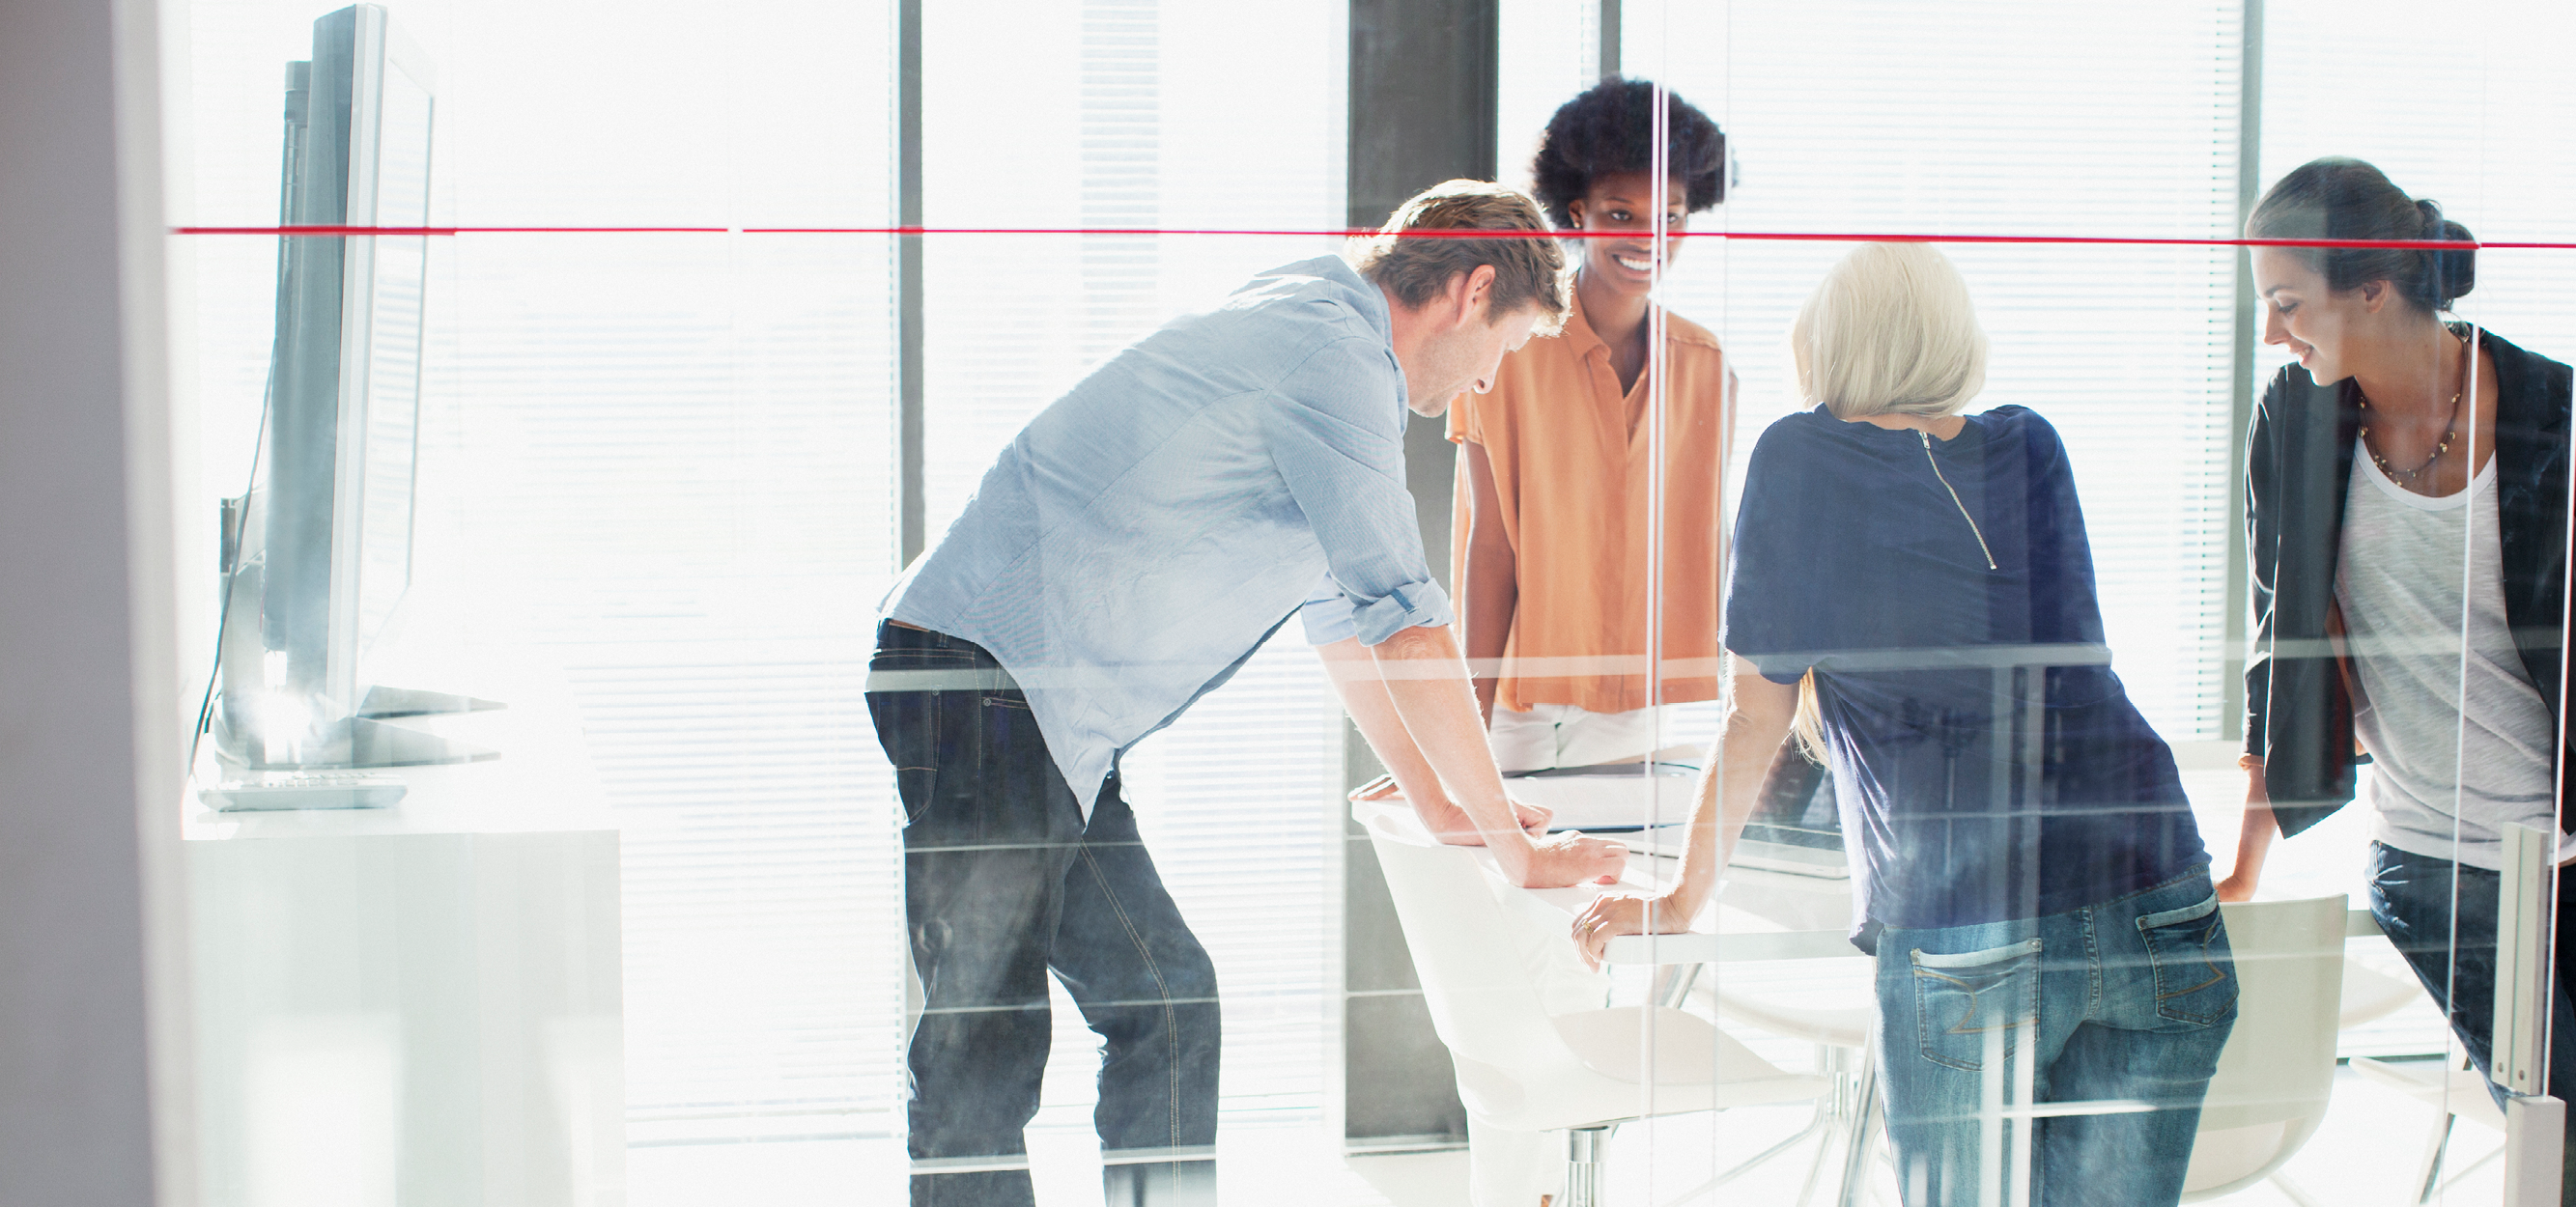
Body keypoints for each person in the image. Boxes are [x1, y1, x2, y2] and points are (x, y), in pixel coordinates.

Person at [863, 181, 1628, 1207]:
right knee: (983, 1038)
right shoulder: (1333, 359)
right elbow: (1408, 621)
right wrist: (1513, 844)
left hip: (1037, 719)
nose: (1487, 380)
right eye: (1504, 345)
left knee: (1167, 1003)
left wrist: (1446, 803)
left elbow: (1349, 620)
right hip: (984, 685)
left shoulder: (1313, 327)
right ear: (1471, 289)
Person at [1572, 243, 2232, 1206]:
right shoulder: (2030, 441)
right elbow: (2047, 660)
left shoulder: (1801, 455)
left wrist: (1677, 902)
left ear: (1828, 348)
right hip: (2157, 890)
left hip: (1969, 913)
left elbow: (1755, 714)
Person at [2218, 157, 2576, 1206]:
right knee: (2565, 1143)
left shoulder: (2561, 408)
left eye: (2287, 304)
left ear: (2372, 290)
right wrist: (2245, 856)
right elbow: (2284, 640)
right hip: (2439, 856)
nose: (2275, 334)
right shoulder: (2293, 426)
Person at [1451, 78, 1736, 772]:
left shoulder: (1704, 365)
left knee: (1619, 878)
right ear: (1576, 215)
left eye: (1669, 215)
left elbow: (1709, 538)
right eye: (1620, 213)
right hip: (1517, 699)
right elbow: (1489, 549)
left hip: (1643, 701)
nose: (1647, 238)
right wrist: (1469, 720)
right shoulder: (1505, 349)